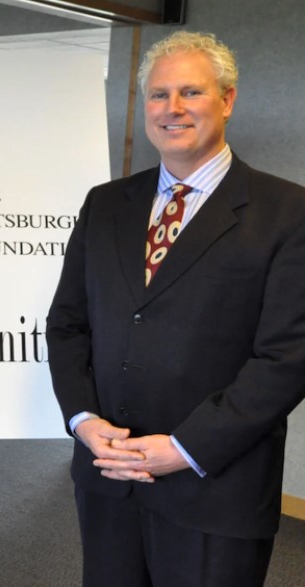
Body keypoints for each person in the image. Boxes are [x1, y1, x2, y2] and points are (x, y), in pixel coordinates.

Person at [47, 30, 305, 587]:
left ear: (228, 99)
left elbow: (288, 357)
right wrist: (83, 420)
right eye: (159, 95)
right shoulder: (106, 204)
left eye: (191, 92)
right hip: (108, 476)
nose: (173, 109)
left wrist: (186, 448)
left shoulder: (289, 212)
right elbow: (68, 325)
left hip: (215, 487)